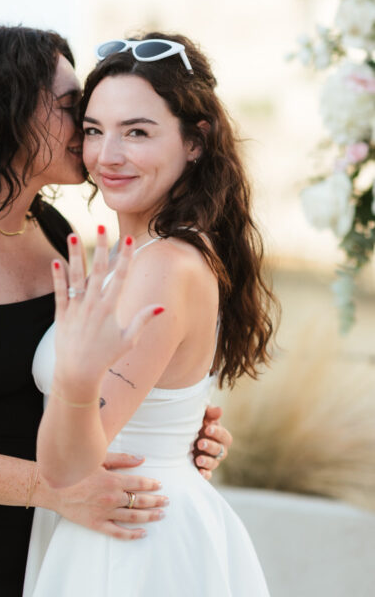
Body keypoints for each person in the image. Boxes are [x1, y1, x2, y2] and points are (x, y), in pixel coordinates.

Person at [0, 24, 232, 596]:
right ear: (4, 113)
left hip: (43, 540)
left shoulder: (49, 228)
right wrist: (50, 488)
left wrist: (167, 422)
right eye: (72, 108)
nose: (86, 129)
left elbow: (78, 374)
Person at [24, 33, 276, 596]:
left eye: (136, 132)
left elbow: (66, 470)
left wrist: (77, 380)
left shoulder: (166, 265)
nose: (106, 156)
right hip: (120, 520)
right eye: (93, 131)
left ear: (195, 141)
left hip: (136, 539)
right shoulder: (134, 258)